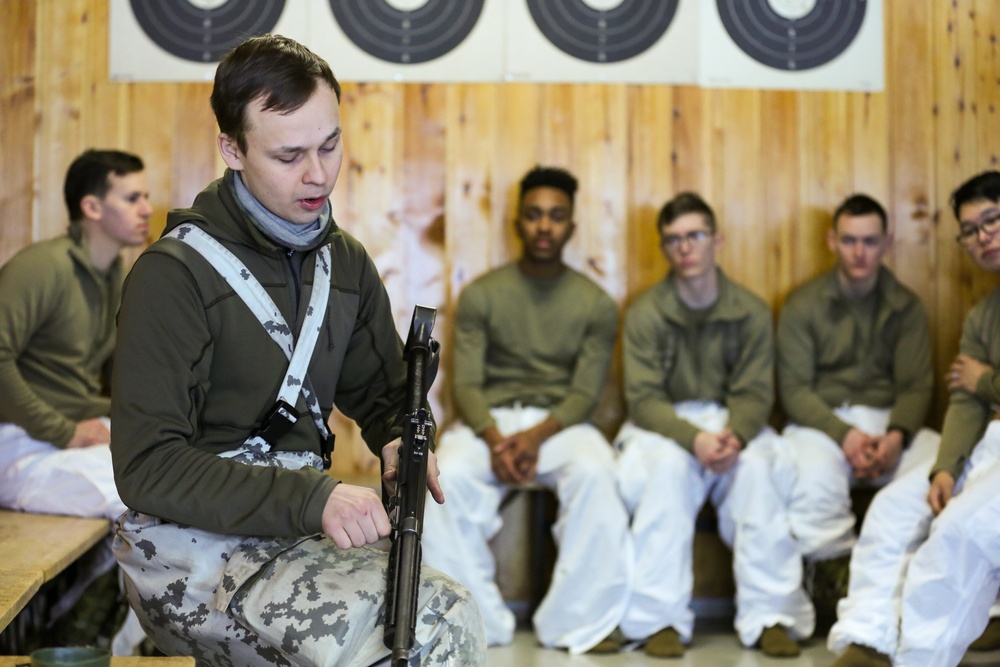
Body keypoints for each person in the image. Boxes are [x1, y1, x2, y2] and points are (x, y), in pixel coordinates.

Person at [109, 34, 484, 666]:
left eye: (330, 145)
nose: (318, 174)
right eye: (289, 155)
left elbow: (385, 392)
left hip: (293, 529)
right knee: (434, 626)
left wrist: (398, 435)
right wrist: (314, 499)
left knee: (421, 613)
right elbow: (147, 467)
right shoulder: (173, 275)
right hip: (188, 552)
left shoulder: (345, 262)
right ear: (232, 148)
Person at [420, 166, 631, 654]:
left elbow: (585, 393)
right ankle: (475, 620)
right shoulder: (482, 295)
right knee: (442, 476)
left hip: (560, 424)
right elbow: (466, 386)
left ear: (571, 227)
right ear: (518, 222)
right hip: (487, 421)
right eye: (534, 215)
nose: (544, 226)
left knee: (598, 472)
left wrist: (532, 440)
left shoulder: (595, 303)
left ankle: (580, 624)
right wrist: (496, 440)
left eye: (556, 217)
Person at [614, 192, 810, 658]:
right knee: (667, 472)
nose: (685, 248)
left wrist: (735, 434)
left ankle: (772, 615)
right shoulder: (645, 311)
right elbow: (643, 400)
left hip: (732, 423)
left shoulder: (751, 309)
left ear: (716, 239)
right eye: (674, 239)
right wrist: (693, 439)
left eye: (695, 236)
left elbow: (756, 391)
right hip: (666, 426)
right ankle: (659, 620)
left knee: (757, 474)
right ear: (664, 248)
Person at [827, 171, 1000, 667]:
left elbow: (976, 386)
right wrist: (944, 469)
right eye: (969, 230)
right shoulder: (983, 314)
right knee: (892, 509)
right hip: (989, 439)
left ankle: (922, 660)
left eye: (991, 220)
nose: (981, 236)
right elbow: (964, 401)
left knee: (958, 534)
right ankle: (867, 639)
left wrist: (985, 380)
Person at [0, 148, 151, 655]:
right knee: (145, 494)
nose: (146, 207)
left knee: (165, 473)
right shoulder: (41, 268)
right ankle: (82, 641)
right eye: (132, 197)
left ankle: (114, 644)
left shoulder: (111, 277)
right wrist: (67, 430)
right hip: (17, 445)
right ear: (91, 207)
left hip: (65, 443)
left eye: (145, 195)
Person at [777, 194, 940, 585]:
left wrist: (897, 437)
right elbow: (794, 389)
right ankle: (830, 582)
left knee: (944, 458)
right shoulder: (803, 305)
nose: (859, 252)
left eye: (869, 241)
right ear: (832, 241)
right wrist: (844, 436)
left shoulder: (906, 306)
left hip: (890, 420)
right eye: (849, 240)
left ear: (886, 242)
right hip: (826, 421)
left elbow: (917, 385)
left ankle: (905, 580)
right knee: (810, 473)